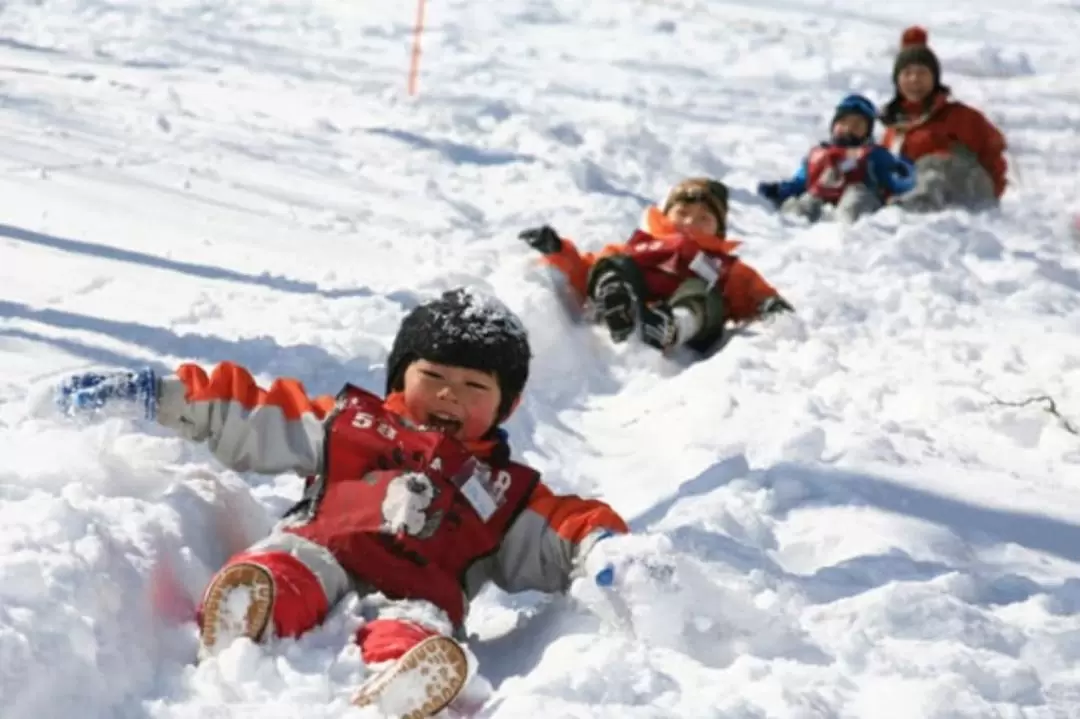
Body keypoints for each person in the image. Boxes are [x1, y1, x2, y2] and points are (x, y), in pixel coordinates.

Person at [57, 288, 628, 719]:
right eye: (433, 376)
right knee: (284, 569)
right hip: (319, 548)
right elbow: (253, 414)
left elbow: (564, 527)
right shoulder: (351, 424)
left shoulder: (504, 494)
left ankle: (402, 679)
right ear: (401, 376)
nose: (450, 394)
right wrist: (165, 397)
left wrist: (603, 549)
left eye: (475, 386)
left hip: (420, 591)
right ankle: (249, 609)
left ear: (507, 403)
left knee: (417, 626)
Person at [520, 177, 793, 355]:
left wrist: (769, 303)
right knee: (615, 262)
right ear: (665, 215)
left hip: (692, 320)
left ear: (718, 230)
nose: (689, 223)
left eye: (704, 218)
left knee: (703, 289)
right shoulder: (641, 244)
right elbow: (587, 270)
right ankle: (616, 301)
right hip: (636, 295)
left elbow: (751, 289)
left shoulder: (722, 264)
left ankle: (673, 325)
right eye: (682, 213)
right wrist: (559, 250)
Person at [879, 26, 1008, 211]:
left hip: (967, 198)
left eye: (922, 73)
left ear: (935, 79)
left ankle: (921, 204)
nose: (915, 79)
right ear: (897, 82)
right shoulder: (894, 130)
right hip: (911, 198)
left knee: (931, 165)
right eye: (907, 73)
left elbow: (993, 151)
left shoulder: (960, 116)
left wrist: (991, 194)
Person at [757, 94, 916, 224]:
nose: (848, 128)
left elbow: (896, 181)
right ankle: (796, 224)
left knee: (855, 197)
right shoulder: (819, 153)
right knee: (808, 199)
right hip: (821, 195)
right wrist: (780, 191)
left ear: (867, 133)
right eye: (843, 122)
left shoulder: (873, 154)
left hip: (860, 195)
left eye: (857, 125)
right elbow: (801, 181)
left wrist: (902, 174)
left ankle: (847, 228)